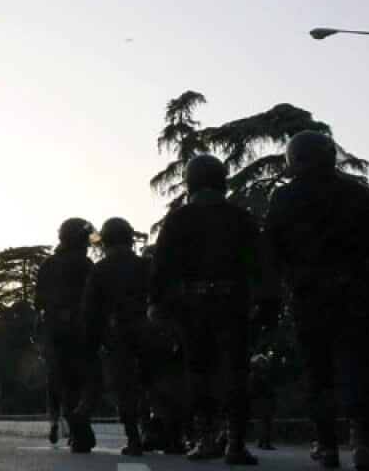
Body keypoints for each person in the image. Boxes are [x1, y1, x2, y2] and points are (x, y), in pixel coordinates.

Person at [265, 131, 369, 471]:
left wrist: (273, 295)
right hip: (354, 292)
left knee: (317, 371)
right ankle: (362, 439)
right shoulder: (355, 194)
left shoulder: (284, 198)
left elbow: (272, 254)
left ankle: (326, 445)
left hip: (308, 296)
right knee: (356, 363)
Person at [151, 154, 269, 466]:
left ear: (190, 182)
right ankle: (236, 442)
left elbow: (162, 268)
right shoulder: (240, 217)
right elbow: (259, 265)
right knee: (236, 372)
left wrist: (159, 305)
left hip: (194, 306)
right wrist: (264, 304)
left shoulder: (178, 219)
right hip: (233, 304)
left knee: (198, 371)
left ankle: (204, 438)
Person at [79, 218, 150, 456]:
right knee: (153, 383)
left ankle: (134, 438)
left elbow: (90, 310)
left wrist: (93, 342)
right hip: (147, 330)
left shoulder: (99, 270)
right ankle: (164, 434)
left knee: (125, 388)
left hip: (117, 335)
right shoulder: (145, 266)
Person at [35, 217, 96, 452]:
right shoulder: (86, 264)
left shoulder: (48, 264)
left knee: (60, 378)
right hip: (81, 328)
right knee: (86, 379)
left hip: (54, 330)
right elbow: (94, 297)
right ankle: (79, 423)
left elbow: (38, 301)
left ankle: (57, 418)